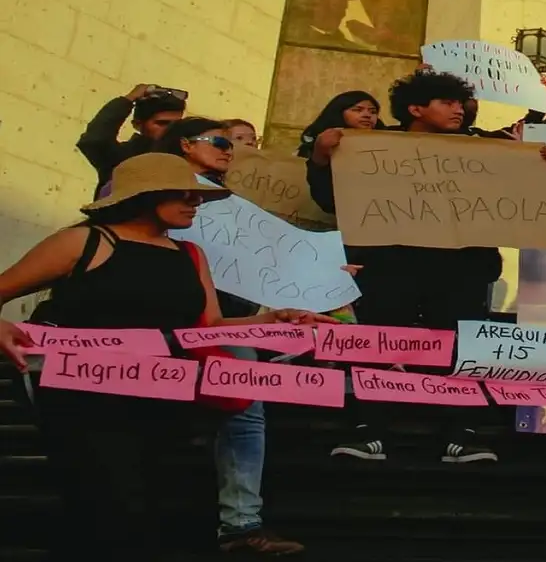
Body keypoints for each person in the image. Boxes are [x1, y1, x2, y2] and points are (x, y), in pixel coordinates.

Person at [0, 153, 331, 561]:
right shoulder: (84, 242)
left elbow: (207, 326)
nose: (195, 201)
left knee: (152, 506)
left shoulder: (190, 254)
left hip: (165, 400)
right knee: (105, 505)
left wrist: (273, 320)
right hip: (84, 400)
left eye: (197, 195)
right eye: (184, 194)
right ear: (145, 196)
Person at [309, 71, 546, 462]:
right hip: (392, 267)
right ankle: (370, 431)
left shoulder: (485, 149)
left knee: (462, 349)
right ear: (415, 108)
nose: (459, 109)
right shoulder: (370, 147)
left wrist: (537, 162)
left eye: (460, 102)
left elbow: (517, 193)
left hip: (461, 271)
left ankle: (461, 434)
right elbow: (329, 199)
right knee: (380, 345)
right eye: (447, 102)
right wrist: (323, 158)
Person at [154, 118, 305, 556]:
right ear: (184, 145)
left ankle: (241, 522)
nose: (228, 150)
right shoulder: (135, 182)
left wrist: (318, 276)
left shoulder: (227, 210)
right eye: (219, 142)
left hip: (219, 319)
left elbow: (267, 255)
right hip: (144, 321)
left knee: (245, 407)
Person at [78, 84, 187, 199]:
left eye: (176, 124)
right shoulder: (124, 156)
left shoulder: (185, 157)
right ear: (138, 125)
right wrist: (129, 99)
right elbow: (95, 140)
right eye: (161, 123)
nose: (170, 129)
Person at [300, 91, 385, 215]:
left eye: (373, 111)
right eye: (357, 110)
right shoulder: (323, 141)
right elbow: (325, 198)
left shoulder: (385, 143)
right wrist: (320, 153)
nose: (367, 115)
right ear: (339, 112)